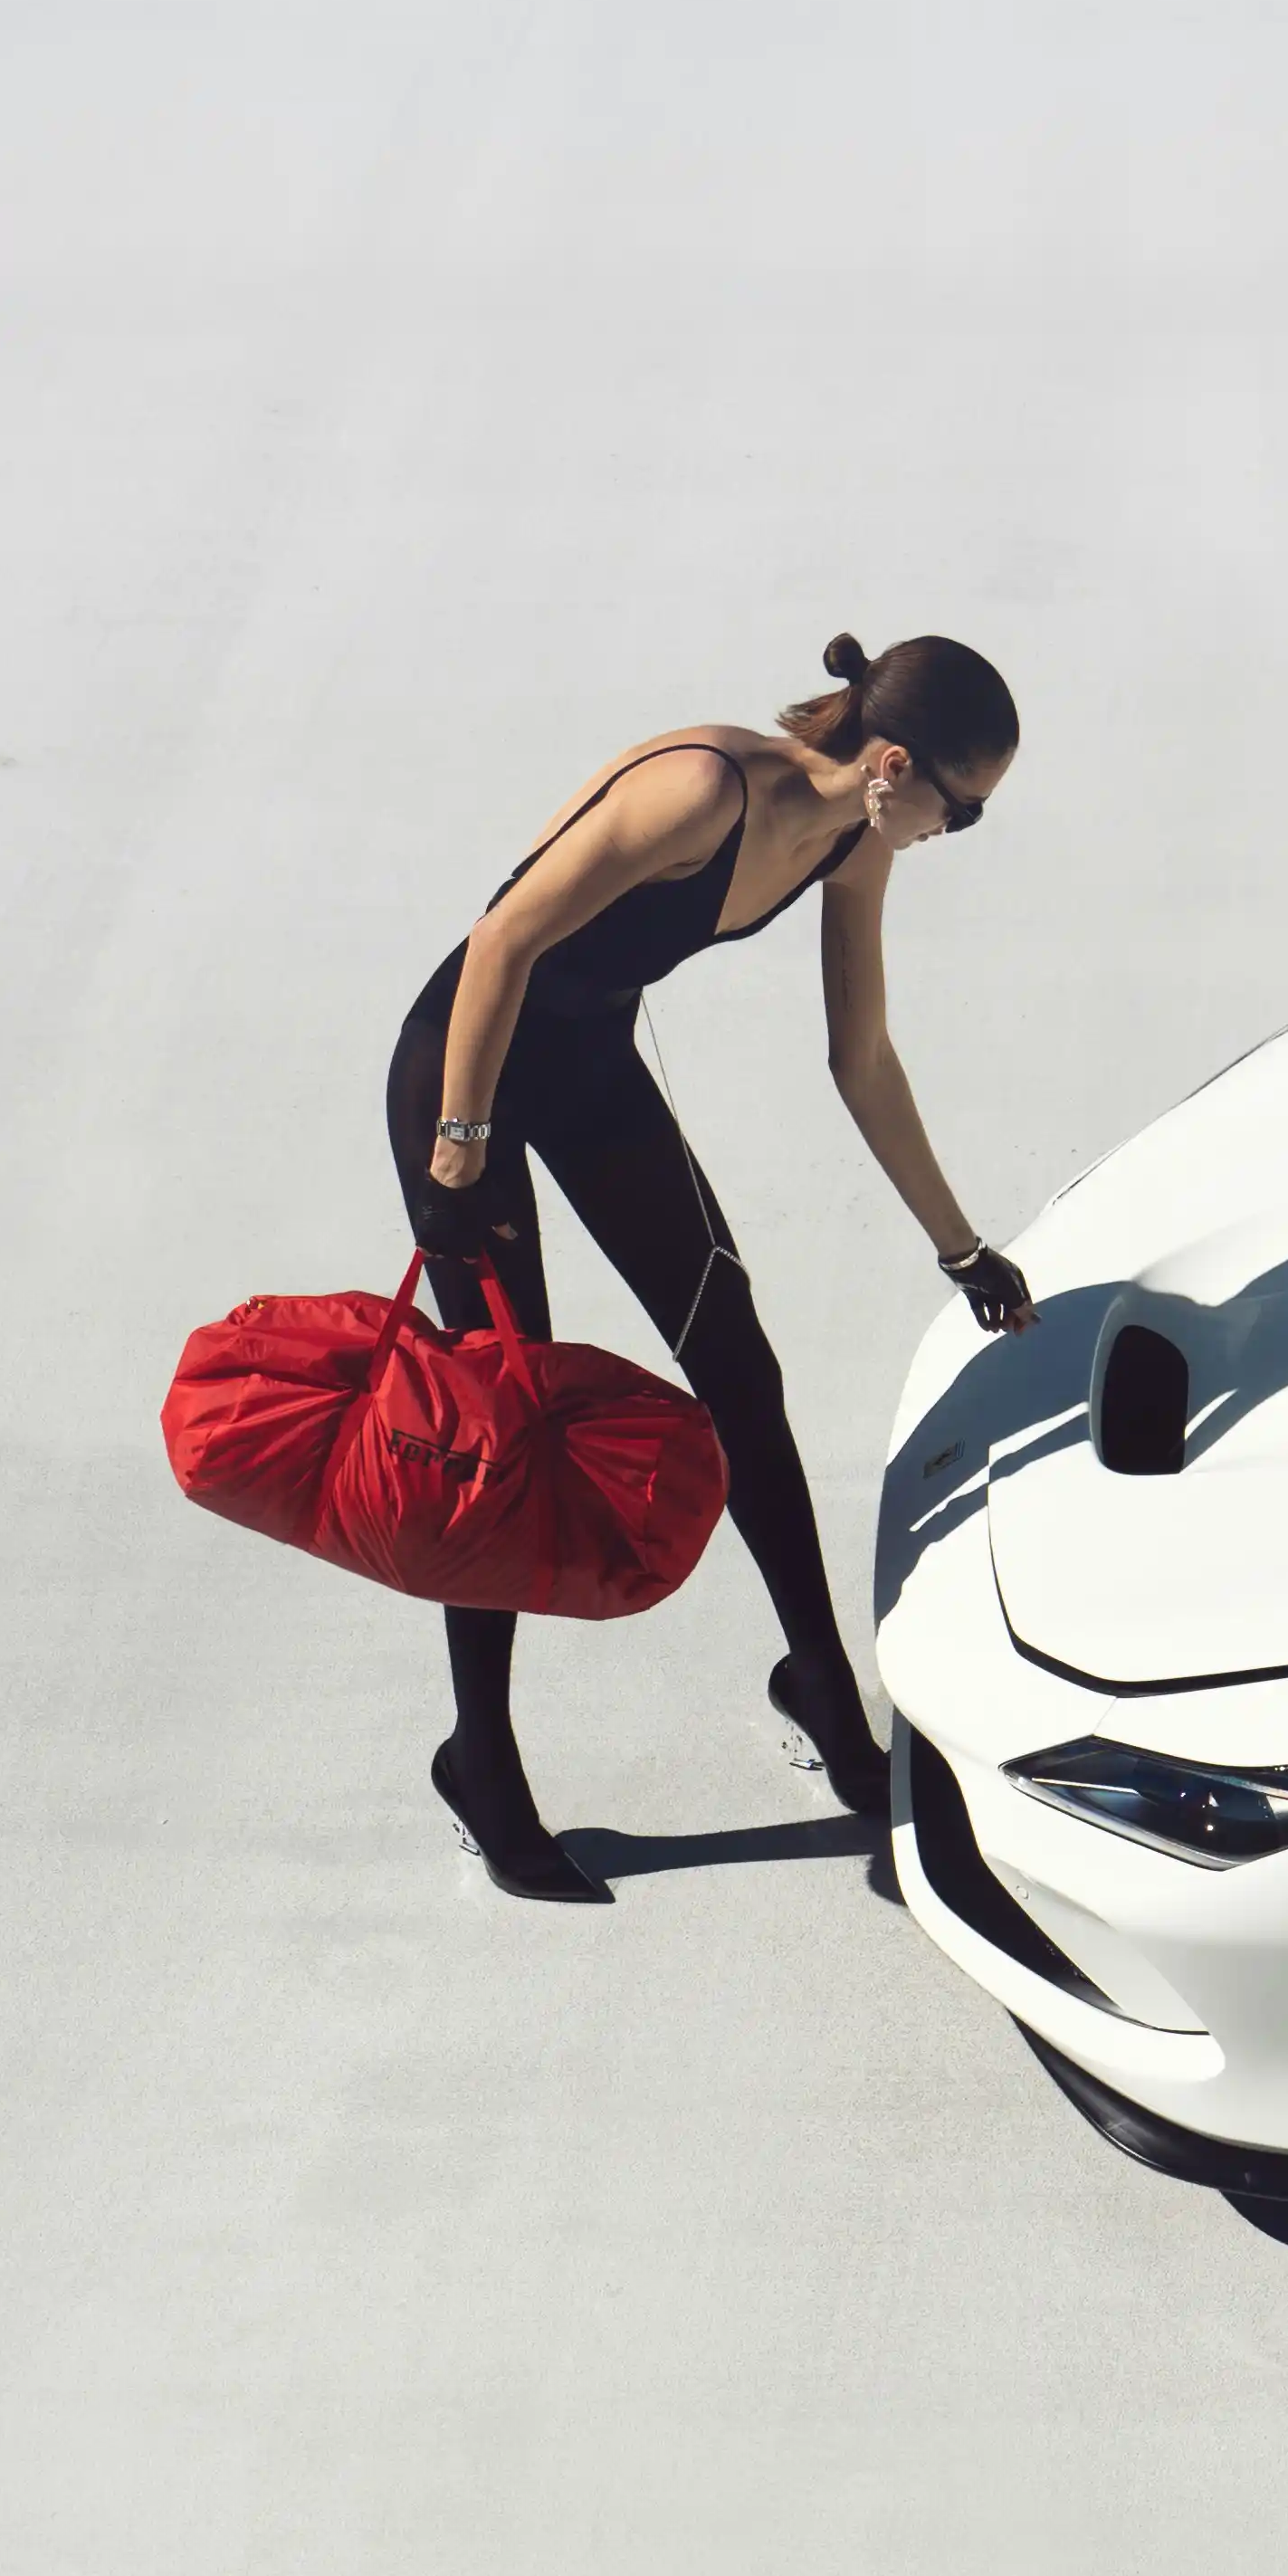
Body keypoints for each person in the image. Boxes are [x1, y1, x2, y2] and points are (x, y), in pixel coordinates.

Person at [387, 630, 1039, 1903]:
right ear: (894, 763)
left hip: (584, 1075)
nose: (952, 837)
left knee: (739, 1368)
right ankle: (482, 1758)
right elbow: (501, 946)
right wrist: (459, 1159)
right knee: (500, 1426)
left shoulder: (858, 838)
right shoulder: (701, 791)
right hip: (462, 1072)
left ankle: (822, 1697)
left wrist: (959, 1244)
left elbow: (861, 1057)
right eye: (961, 814)